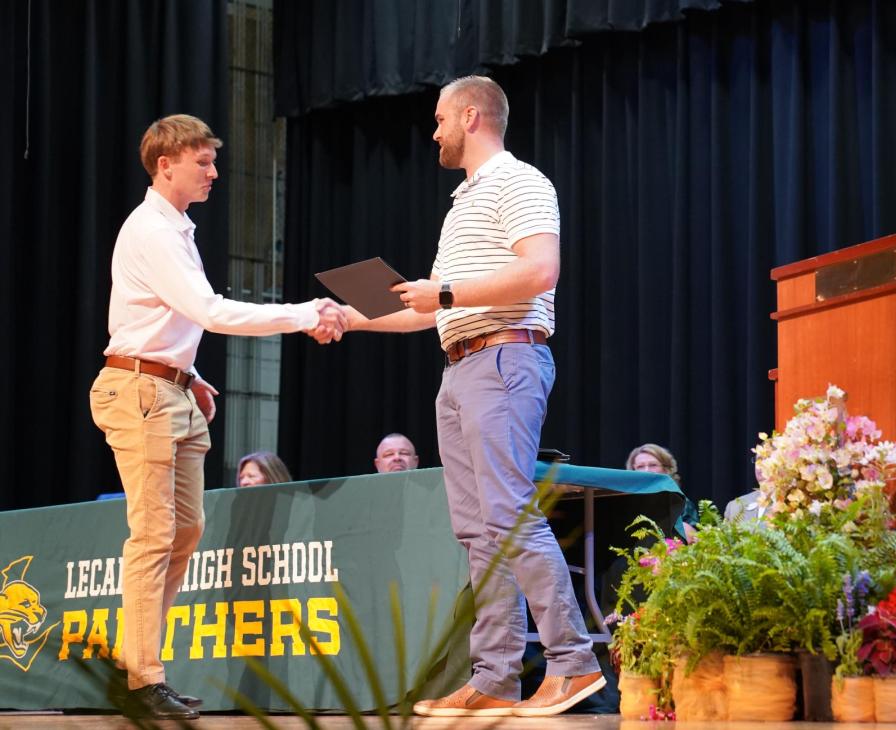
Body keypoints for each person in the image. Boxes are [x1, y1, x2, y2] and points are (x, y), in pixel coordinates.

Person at [338, 76, 603, 717]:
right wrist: (347, 317)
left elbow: (541, 270)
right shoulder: (462, 204)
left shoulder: (520, 181)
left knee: (509, 515)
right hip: (458, 366)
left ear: (471, 115)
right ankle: (495, 675)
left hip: (504, 357)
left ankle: (573, 664)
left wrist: (446, 293)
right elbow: (424, 309)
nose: (433, 132)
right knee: (477, 531)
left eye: (438, 120)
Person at [89, 114, 346, 720]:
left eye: (211, 160)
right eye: (202, 162)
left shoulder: (177, 229)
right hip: (141, 393)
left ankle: (145, 672)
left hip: (167, 388)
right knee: (154, 534)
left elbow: (160, 318)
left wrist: (187, 372)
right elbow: (207, 309)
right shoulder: (151, 229)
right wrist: (306, 313)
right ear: (166, 164)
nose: (213, 171)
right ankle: (140, 681)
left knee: (184, 532)